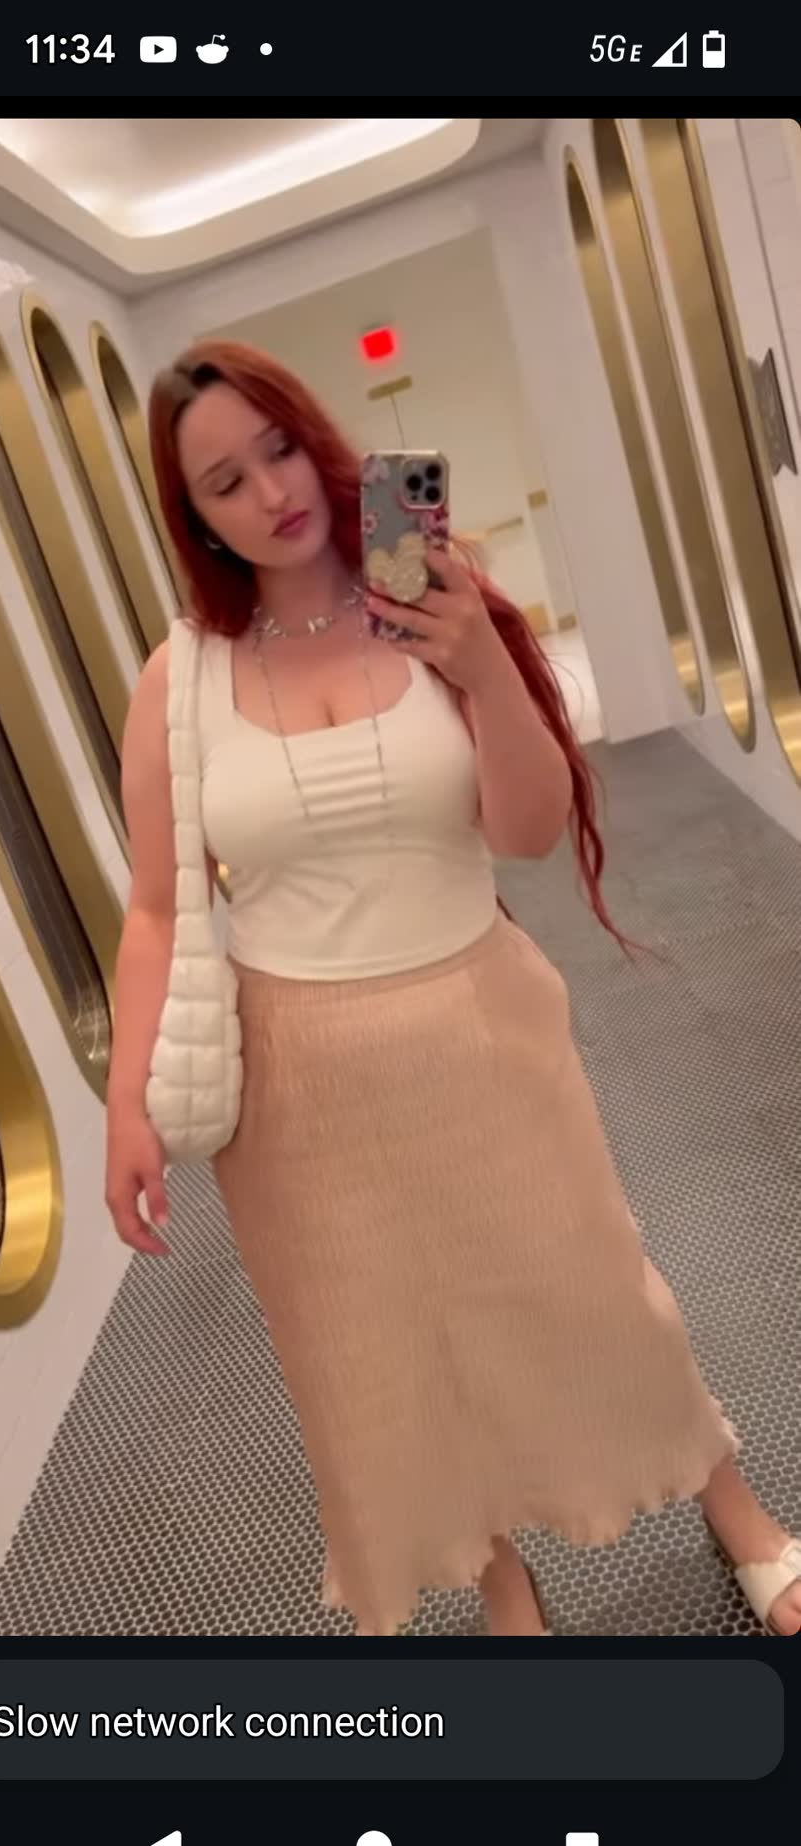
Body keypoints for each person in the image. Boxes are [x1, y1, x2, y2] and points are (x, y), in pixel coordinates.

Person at [105, 341, 801, 1638]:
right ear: (192, 517)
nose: (272, 493)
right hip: (297, 1080)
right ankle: (498, 1580)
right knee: (388, 1350)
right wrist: (124, 1106)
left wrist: (480, 662)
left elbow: (526, 832)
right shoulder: (179, 677)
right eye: (224, 482)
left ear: (317, 436)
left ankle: (732, 1501)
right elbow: (154, 905)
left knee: (592, 1284)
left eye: (278, 448)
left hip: (477, 1021)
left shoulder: (434, 597)